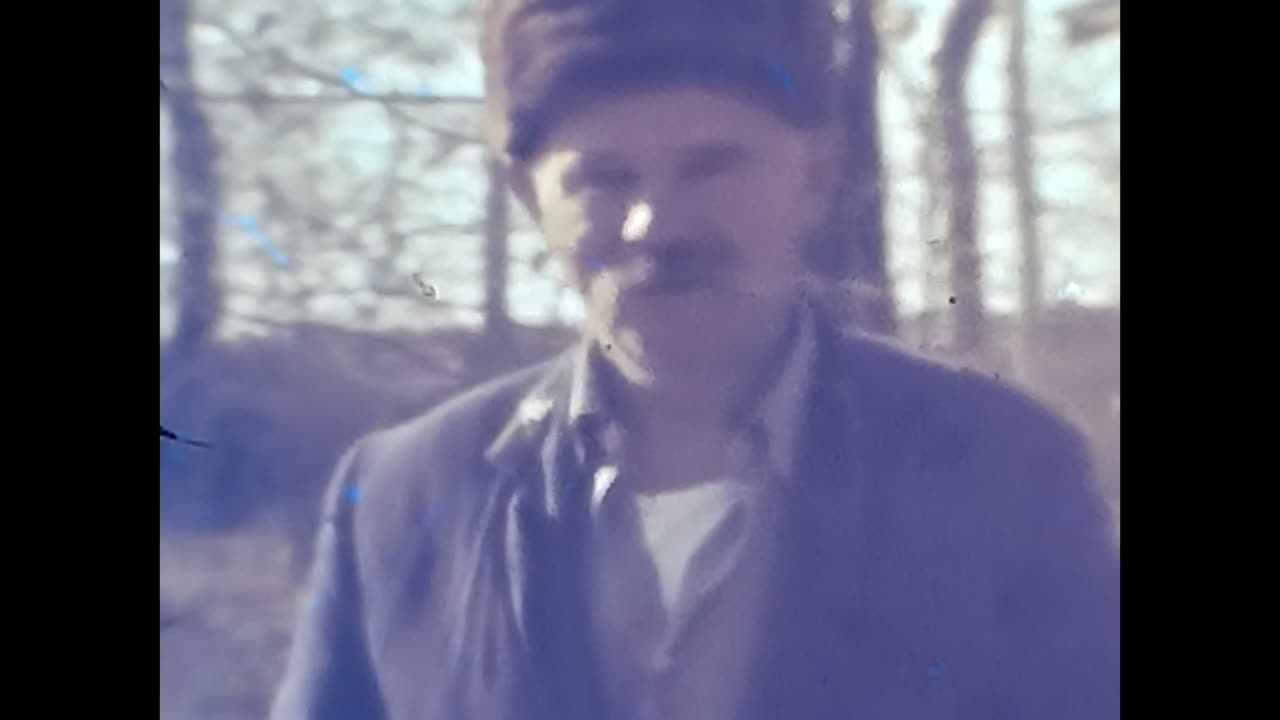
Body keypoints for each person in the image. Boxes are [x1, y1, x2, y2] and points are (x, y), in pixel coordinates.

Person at [269, 1, 1120, 718]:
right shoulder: (401, 500)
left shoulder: (1001, 469)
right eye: (603, 178)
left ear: (817, 174)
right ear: (530, 196)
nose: (658, 226)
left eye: (712, 165)